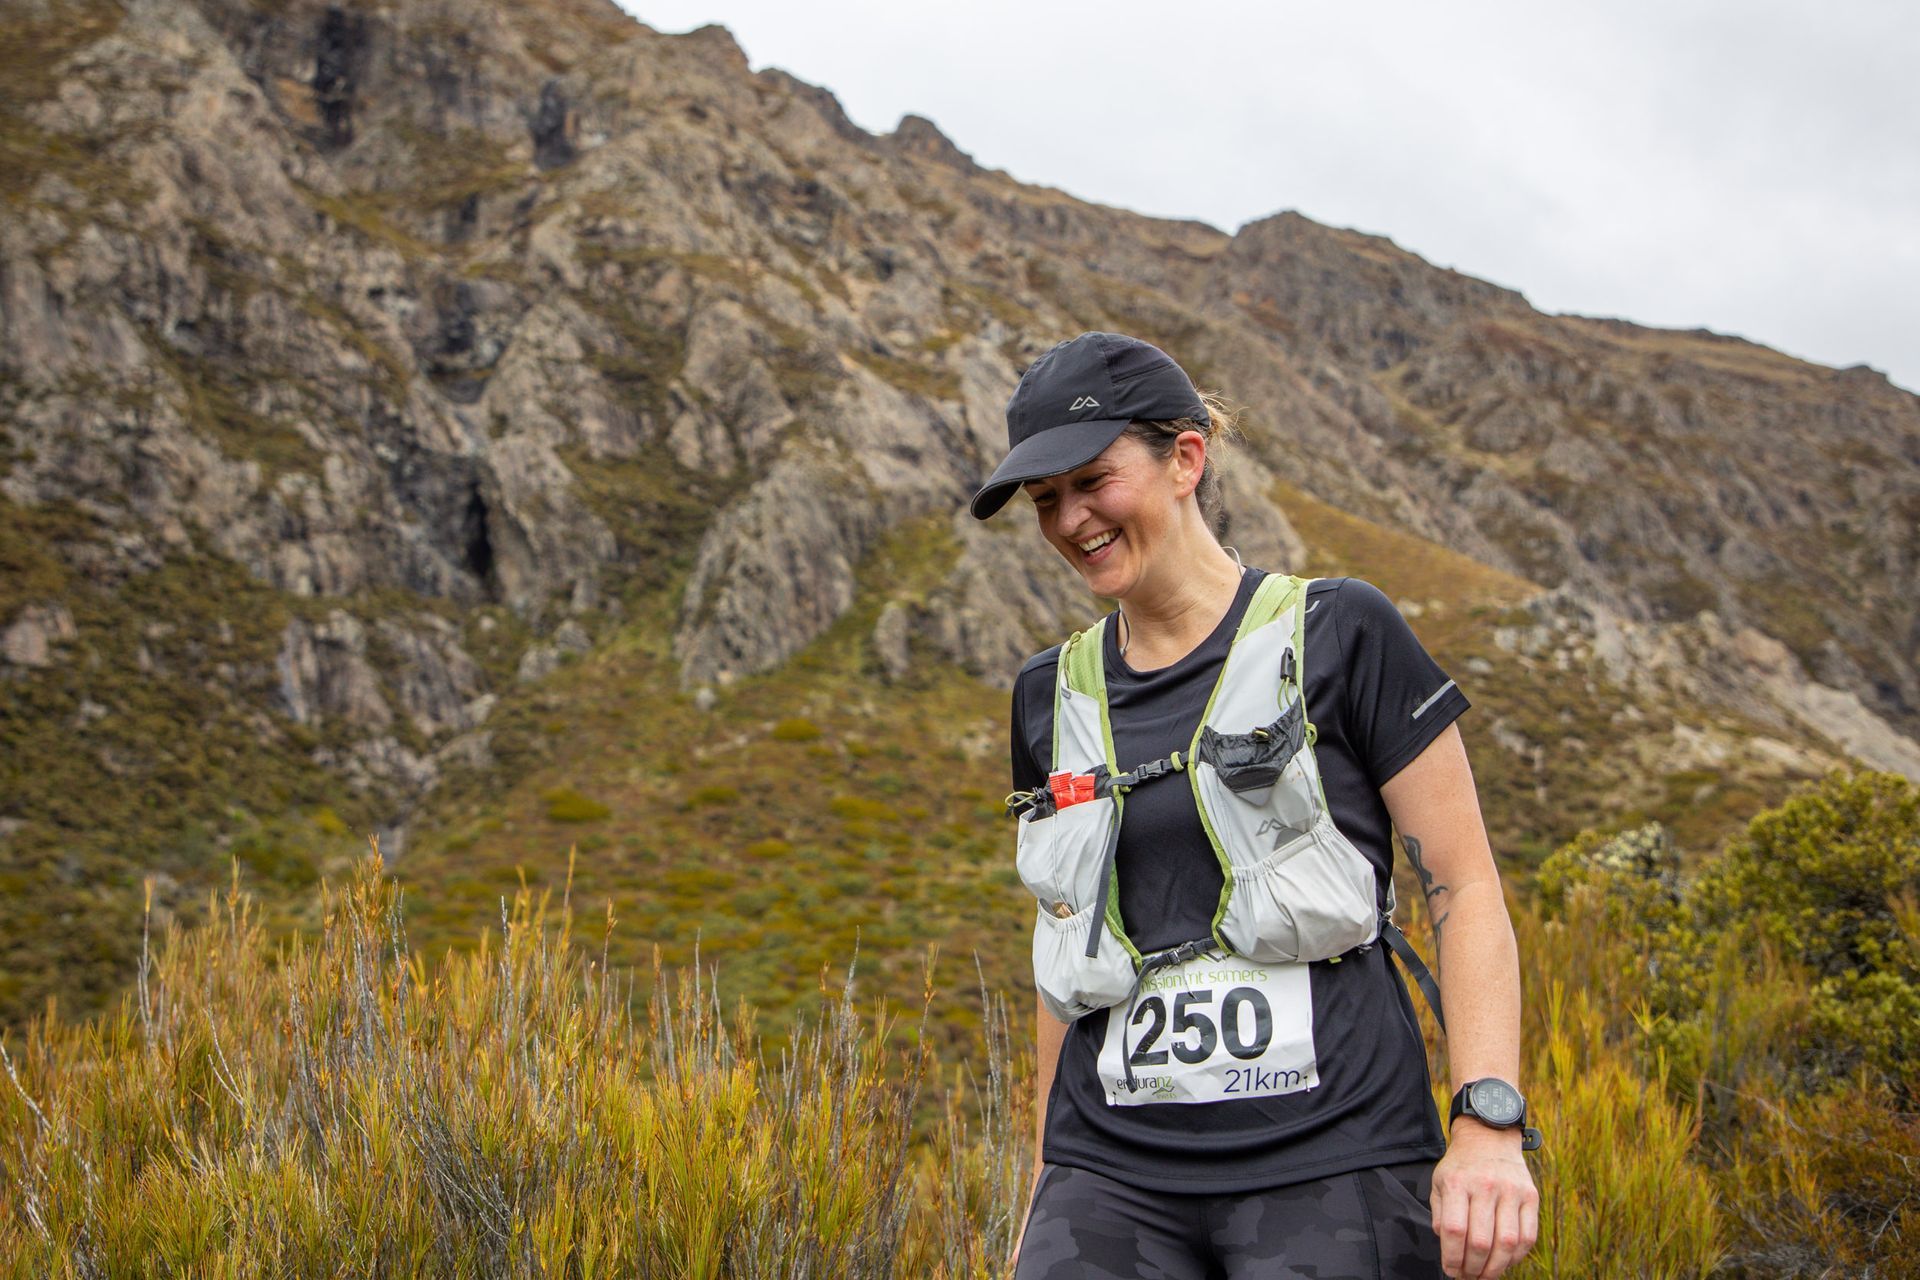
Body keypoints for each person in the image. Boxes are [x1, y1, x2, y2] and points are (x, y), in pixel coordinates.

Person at [967, 332, 1540, 1280]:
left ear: (1185, 458)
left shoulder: (1342, 632)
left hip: (1336, 1157)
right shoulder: (1048, 695)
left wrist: (1488, 1123)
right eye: (1045, 501)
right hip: (1110, 1175)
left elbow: (1466, 888)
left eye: (1092, 481)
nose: (1071, 520)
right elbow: (1064, 944)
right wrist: (1045, 1178)